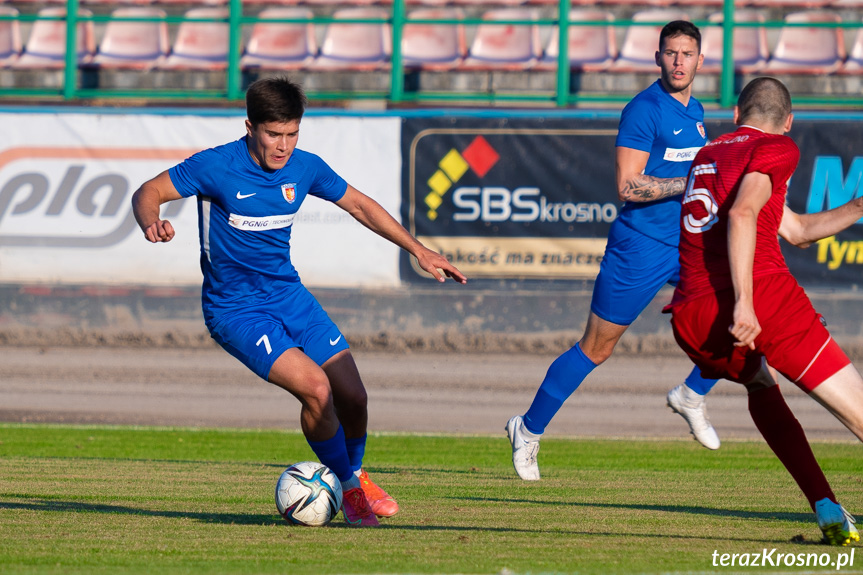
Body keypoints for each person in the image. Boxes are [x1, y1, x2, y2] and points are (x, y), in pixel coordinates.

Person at [131, 77, 467, 527]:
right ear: (250, 127)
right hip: (235, 310)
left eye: (292, 134)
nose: (283, 145)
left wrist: (419, 250)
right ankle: (350, 491)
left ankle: (357, 474)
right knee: (317, 389)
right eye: (273, 134)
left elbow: (361, 206)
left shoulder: (305, 167)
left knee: (354, 395)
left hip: (290, 297)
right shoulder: (215, 166)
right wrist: (150, 221)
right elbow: (147, 191)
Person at [506, 20, 727, 482]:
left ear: (701, 60)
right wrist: (689, 182)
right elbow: (628, 186)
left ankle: (691, 394)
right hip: (640, 246)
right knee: (596, 348)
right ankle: (527, 430)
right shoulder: (643, 109)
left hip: (687, 243)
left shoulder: (697, 110)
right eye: (671, 53)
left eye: (687, 53)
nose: (679, 61)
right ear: (658, 58)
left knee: (736, 314)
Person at [667, 77, 862, 545]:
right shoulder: (778, 147)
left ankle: (827, 507)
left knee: (759, 383)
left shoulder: (709, 154)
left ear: (736, 115)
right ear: (788, 122)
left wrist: (858, 206)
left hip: (691, 313)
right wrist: (746, 303)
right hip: (760, 296)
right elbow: (742, 214)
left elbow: (793, 229)